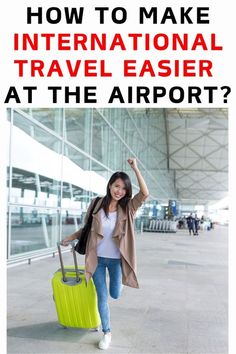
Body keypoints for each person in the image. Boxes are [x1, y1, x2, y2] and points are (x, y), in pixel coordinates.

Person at [61, 158, 149, 350]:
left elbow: (144, 193)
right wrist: (70, 237)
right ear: (110, 185)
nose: (119, 191)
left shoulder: (128, 207)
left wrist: (135, 168)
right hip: (97, 260)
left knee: (115, 294)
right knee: (102, 297)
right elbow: (86, 229)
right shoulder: (96, 204)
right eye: (117, 186)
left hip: (117, 261)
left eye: (124, 189)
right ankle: (107, 332)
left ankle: (118, 287)